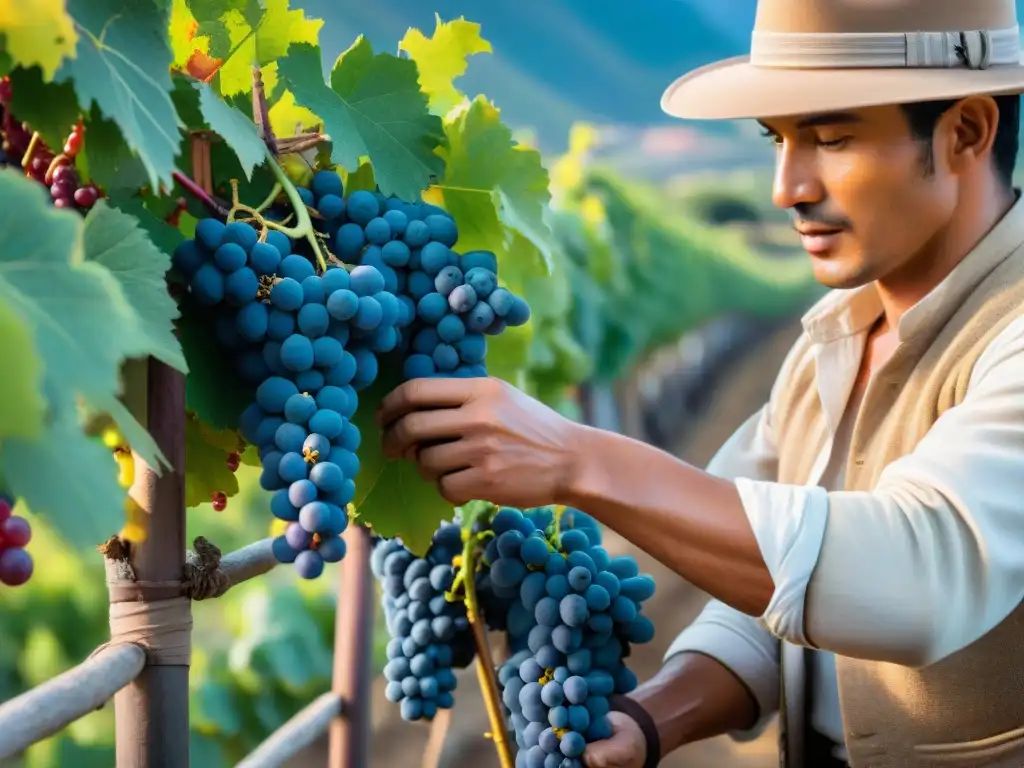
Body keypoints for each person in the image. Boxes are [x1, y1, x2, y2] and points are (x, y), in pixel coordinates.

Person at [375, 0, 1024, 765]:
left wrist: (575, 460)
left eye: (832, 137)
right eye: (777, 140)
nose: (788, 188)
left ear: (966, 133)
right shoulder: (831, 343)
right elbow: (767, 592)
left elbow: (915, 578)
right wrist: (652, 721)